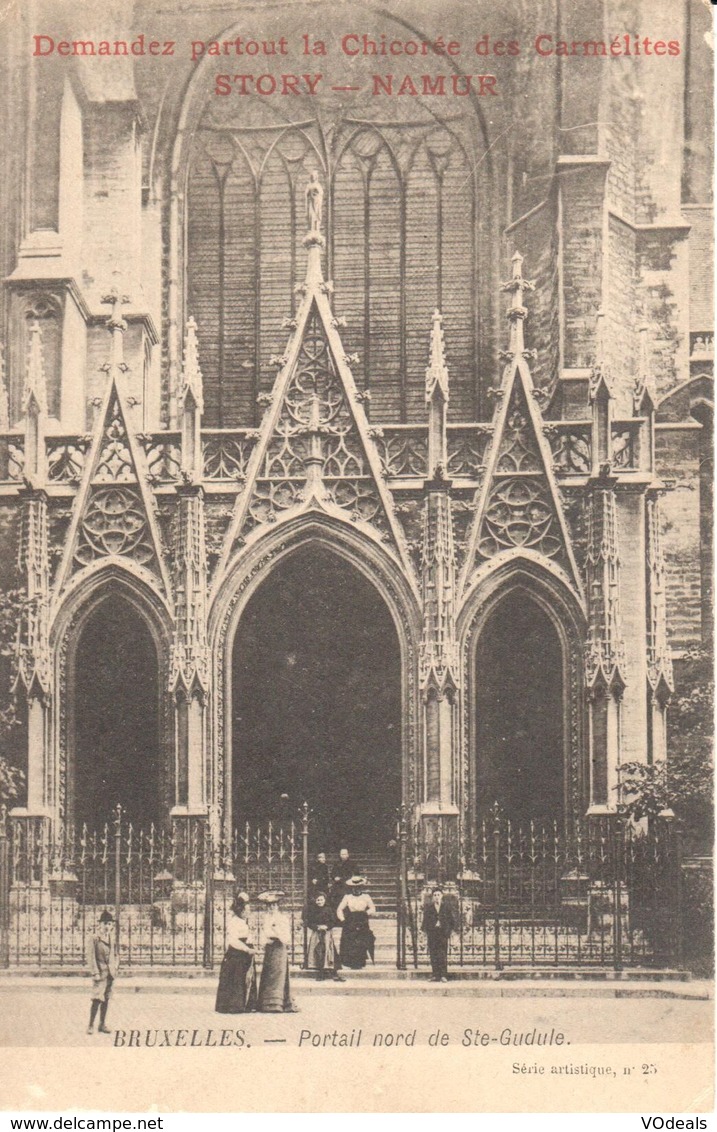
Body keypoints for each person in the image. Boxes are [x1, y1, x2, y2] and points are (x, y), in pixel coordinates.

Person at [215, 893, 257, 1014]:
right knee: (236, 978)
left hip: (244, 954)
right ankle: (234, 1005)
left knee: (245, 978)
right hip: (237, 954)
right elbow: (233, 940)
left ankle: (245, 1004)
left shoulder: (242, 922)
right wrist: (246, 949)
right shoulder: (234, 922)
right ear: (241, 911)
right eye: (247, 910)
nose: (249, 912)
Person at [256, 891, 298, 1012]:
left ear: (278, 905)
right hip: (270, 947)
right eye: (269, 905)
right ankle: (266, 1004)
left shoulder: (283, 918)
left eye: (274, 905)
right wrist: (265, 940)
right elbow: (264, 933)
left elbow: (287, 936)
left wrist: (277, 931)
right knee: (268, 973)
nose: (271, 907)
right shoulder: (266, 918)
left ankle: (277, 1004)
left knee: (278, 973)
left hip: (279, 947)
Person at [86, 909, 119, 1034]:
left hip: (110, 973)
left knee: (106, 999)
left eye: (109, 924)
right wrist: (95, 972)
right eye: (105, 923)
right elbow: (91, 957)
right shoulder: (94, 938)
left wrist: (115, 967)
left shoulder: (112, 938)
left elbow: (116, 954)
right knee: (96, 999)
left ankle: (102, 1024)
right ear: (100, 924)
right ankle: (90, 1025)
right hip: (100, 973)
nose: (107, 926)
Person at [336, 876, 376, 970]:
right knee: (351, 941)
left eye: (359, 887)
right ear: (351, 888)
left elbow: (373, 908)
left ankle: (360, 962)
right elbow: (339, 909)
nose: (356, 889)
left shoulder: (366, 897)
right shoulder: (347, 897)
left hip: (362, 920)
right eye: (354, 887)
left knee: (361, 940)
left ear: (361, 887)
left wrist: (365, 913)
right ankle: (351, 962)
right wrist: (343, 920)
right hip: (351, 920)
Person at [421, 885, 458, 982]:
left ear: (442, 896)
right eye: (435, 895)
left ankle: (443, 975)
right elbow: (425, 920)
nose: (437, 897)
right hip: (433, 933)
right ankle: (435, 975)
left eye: (438, 895)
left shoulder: (446, 907)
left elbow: (451, 920)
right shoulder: (429, 908)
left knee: (442, 954)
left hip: (442, 933)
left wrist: (449, 931)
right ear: (432, 897)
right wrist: (426, 931)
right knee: (433, 953)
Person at [305, 892, 345, 982]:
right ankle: (320, 972)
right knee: (318, 951)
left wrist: (327, 926)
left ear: (325, 900)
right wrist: (317, 927)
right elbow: (309, 922)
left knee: (329, 950)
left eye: (321, 900)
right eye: (318, 900)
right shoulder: (312, 910)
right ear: (315, 901)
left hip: (327, 933)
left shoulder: (329, 910)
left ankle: (333, 972)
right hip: (317, 933)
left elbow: (334, 921)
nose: (319, 902)